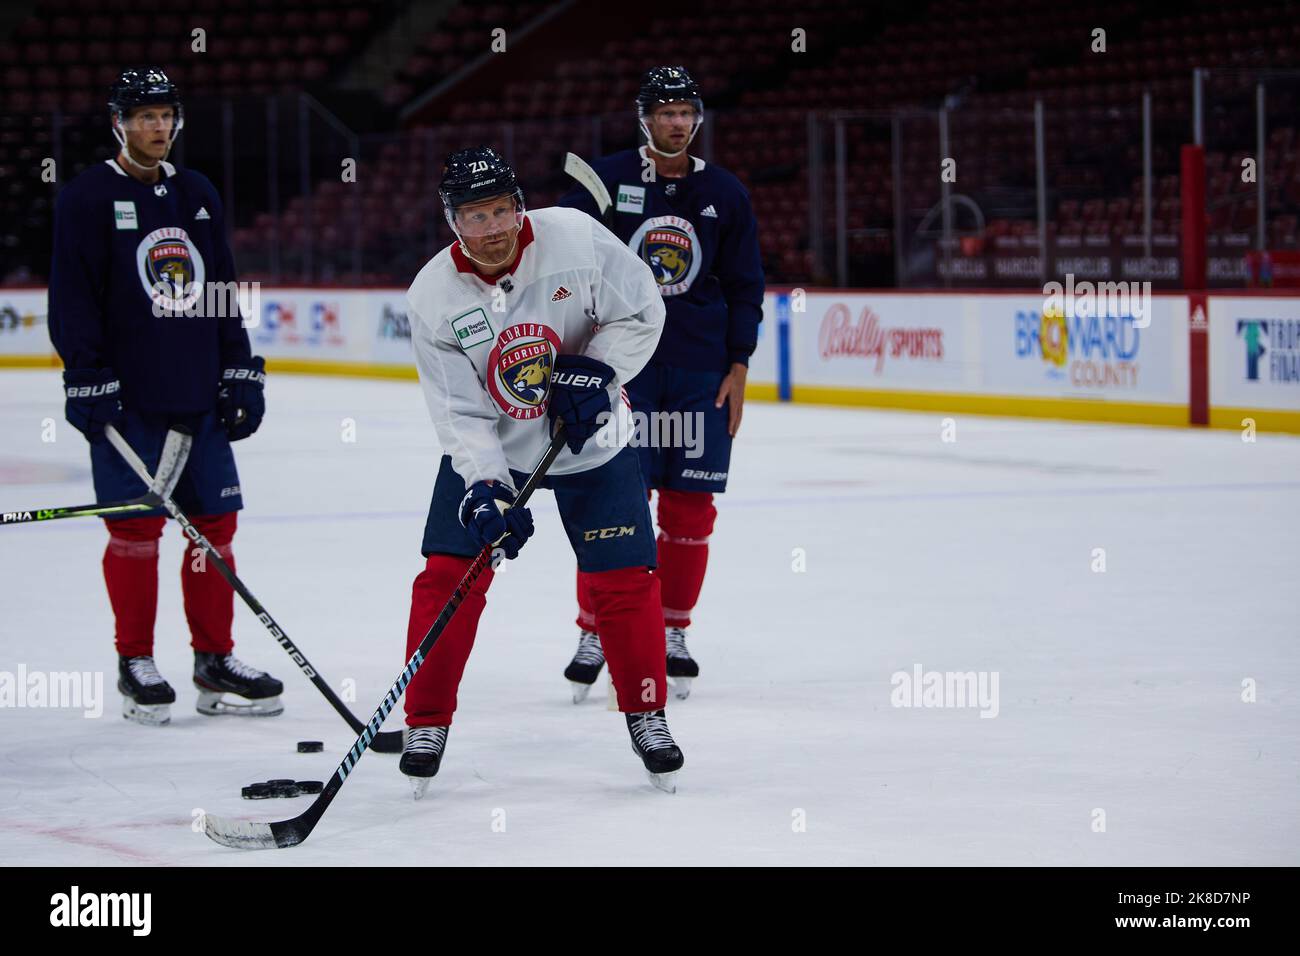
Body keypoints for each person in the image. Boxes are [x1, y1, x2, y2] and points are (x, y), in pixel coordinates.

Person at [400, 146, 684, 795]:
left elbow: (643, 311)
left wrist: (601, 370)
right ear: (453, 222)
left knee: (624, 581)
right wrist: (486, 488)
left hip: (594, 441)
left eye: (501, 210)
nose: (492, 227)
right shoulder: (432, 297)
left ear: (518, 206)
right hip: (497, 446)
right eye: (476, 216)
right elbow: (460, 413)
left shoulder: (577, 238)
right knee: (447, 577)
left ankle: (646, 712)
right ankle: (427, 721)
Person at [48, 67, 281, 726]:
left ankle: (214, 659)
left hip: (198, 394)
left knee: (215, 528)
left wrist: (239, 368)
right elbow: (72, 298)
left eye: (165, 115)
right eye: (144, 116)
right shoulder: (87, 198)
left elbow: (221, 289)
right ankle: (136, 663)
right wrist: (87, 376)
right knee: (136, 530)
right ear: (118, 122)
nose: (157, 128)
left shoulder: (198, 193)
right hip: (129, 401)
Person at [557, 66, 764, 700]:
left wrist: (739, 365)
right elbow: (566, 263)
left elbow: (744, 285)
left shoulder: (724, 192)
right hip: (624, 371)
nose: (677, 121)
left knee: (690, 509)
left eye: (686, 111)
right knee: (616, 508)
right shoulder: (603, 179)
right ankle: (596, 629)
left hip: (701, 374)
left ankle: (673, 630)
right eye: (665, 110)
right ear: (643, 117)